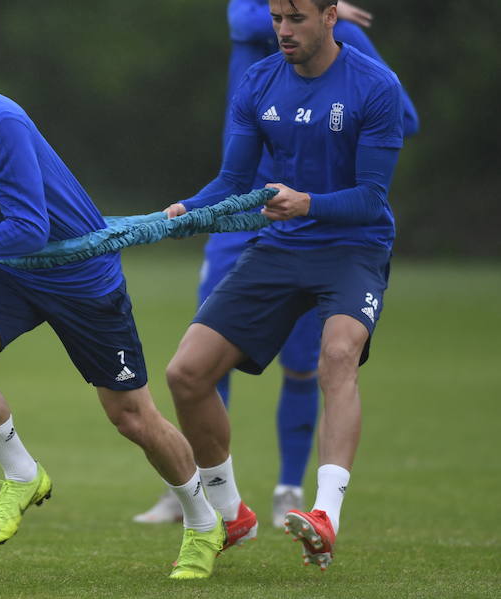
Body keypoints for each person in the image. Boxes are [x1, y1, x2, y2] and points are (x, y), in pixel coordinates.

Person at [0, 58, 226, 580]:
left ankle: (203, 521)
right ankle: (21, 474)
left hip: (79, 276)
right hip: (5, 272)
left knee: (133, 419)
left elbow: (29, 229)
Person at [135, 0, 418, 531]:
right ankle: (229, 512)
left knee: (336, 356)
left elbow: (372, 199)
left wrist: (307, 203)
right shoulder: (259, 82)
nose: (284, 32)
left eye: (297, 20)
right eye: (277, 20)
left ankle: (324, 513)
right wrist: (184, 211)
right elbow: (232, 184)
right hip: (284, 247)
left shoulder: (376, 85)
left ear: (331, 16)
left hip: (354, 248)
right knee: (186, 373)